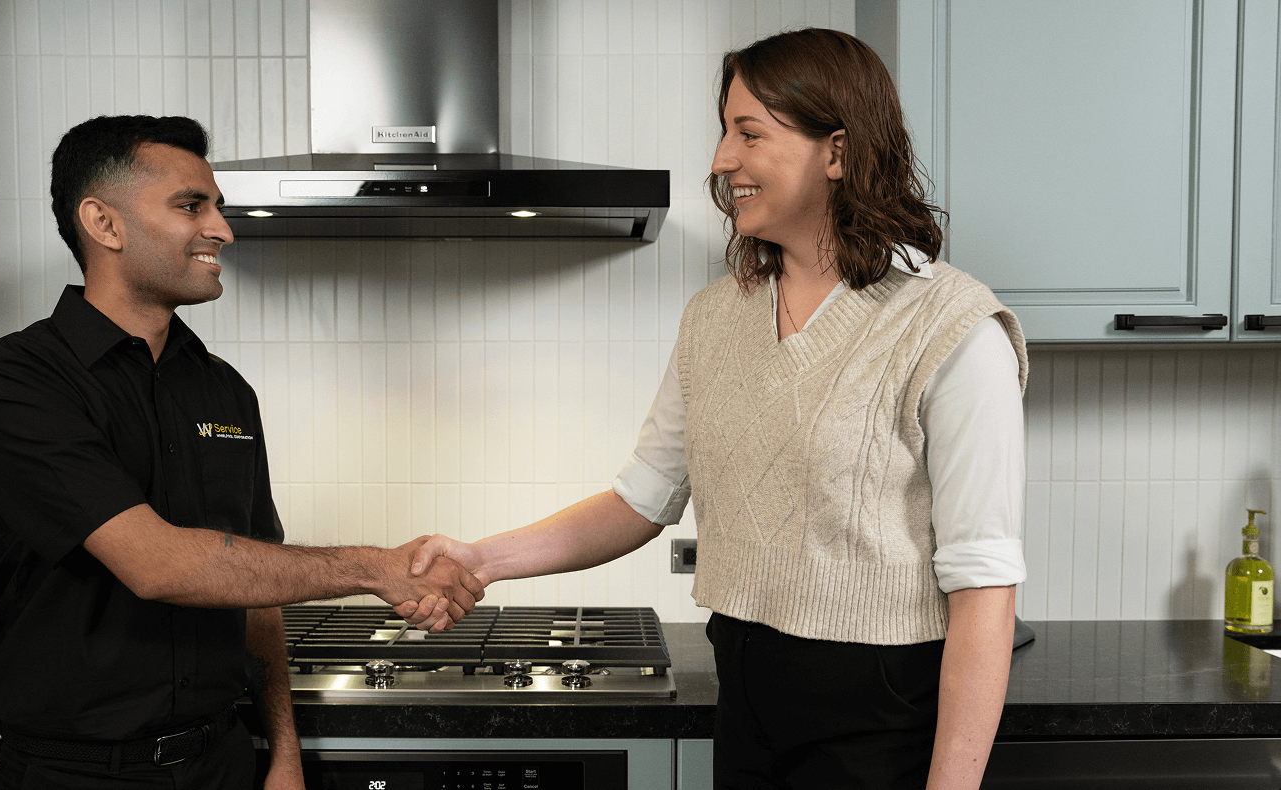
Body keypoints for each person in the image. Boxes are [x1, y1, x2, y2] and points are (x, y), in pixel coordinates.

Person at [398, 29, 1026, 790]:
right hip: (748, 702)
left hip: (883, 721)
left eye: (749, 134)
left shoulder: (952, 329)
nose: (722, 160)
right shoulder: (715, 318)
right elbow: (641, 499)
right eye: (725, 132)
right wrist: (481, 561)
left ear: (837, 152)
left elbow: (984, 589)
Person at [0, 115, 484, 790]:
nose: (223, 230)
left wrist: (284, 754)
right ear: (104, 223)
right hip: (76, 773)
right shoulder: (18, 379)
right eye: (191, 206)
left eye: (219, 206)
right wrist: (376, 568)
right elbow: (156, 564)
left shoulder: (224, 389)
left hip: (221, 763)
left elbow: (256, 593)